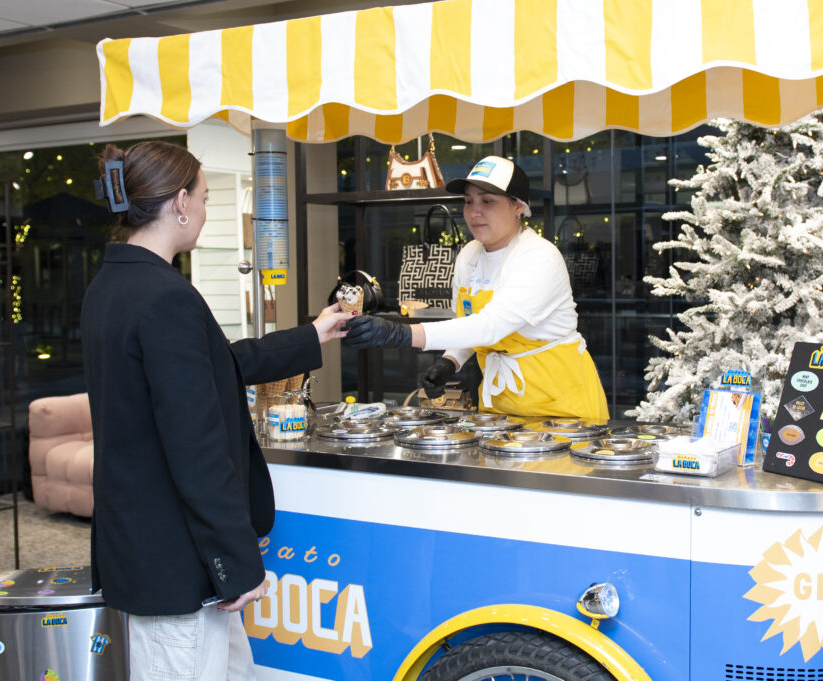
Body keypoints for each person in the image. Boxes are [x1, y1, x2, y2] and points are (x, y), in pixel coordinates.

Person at [81, 141, 351, 681]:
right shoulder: (167, 298)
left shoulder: (111, 286)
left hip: (141, 543)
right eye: (203, 198)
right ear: (180, 203)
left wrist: (311, 335)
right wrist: (237, 562)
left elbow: (216, 365)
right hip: (177, 559)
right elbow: (196, 446)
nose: (204, 211)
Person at [345, 155, 607, 419]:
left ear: (518, 206)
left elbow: (491, 326)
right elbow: (470, 323)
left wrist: (398, 334)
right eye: (468, 201)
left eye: (487, 201)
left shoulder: (538, 257)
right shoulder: (469, 255)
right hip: (500, 404)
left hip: (562, 406)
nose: (474, 212)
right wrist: (451, 361)